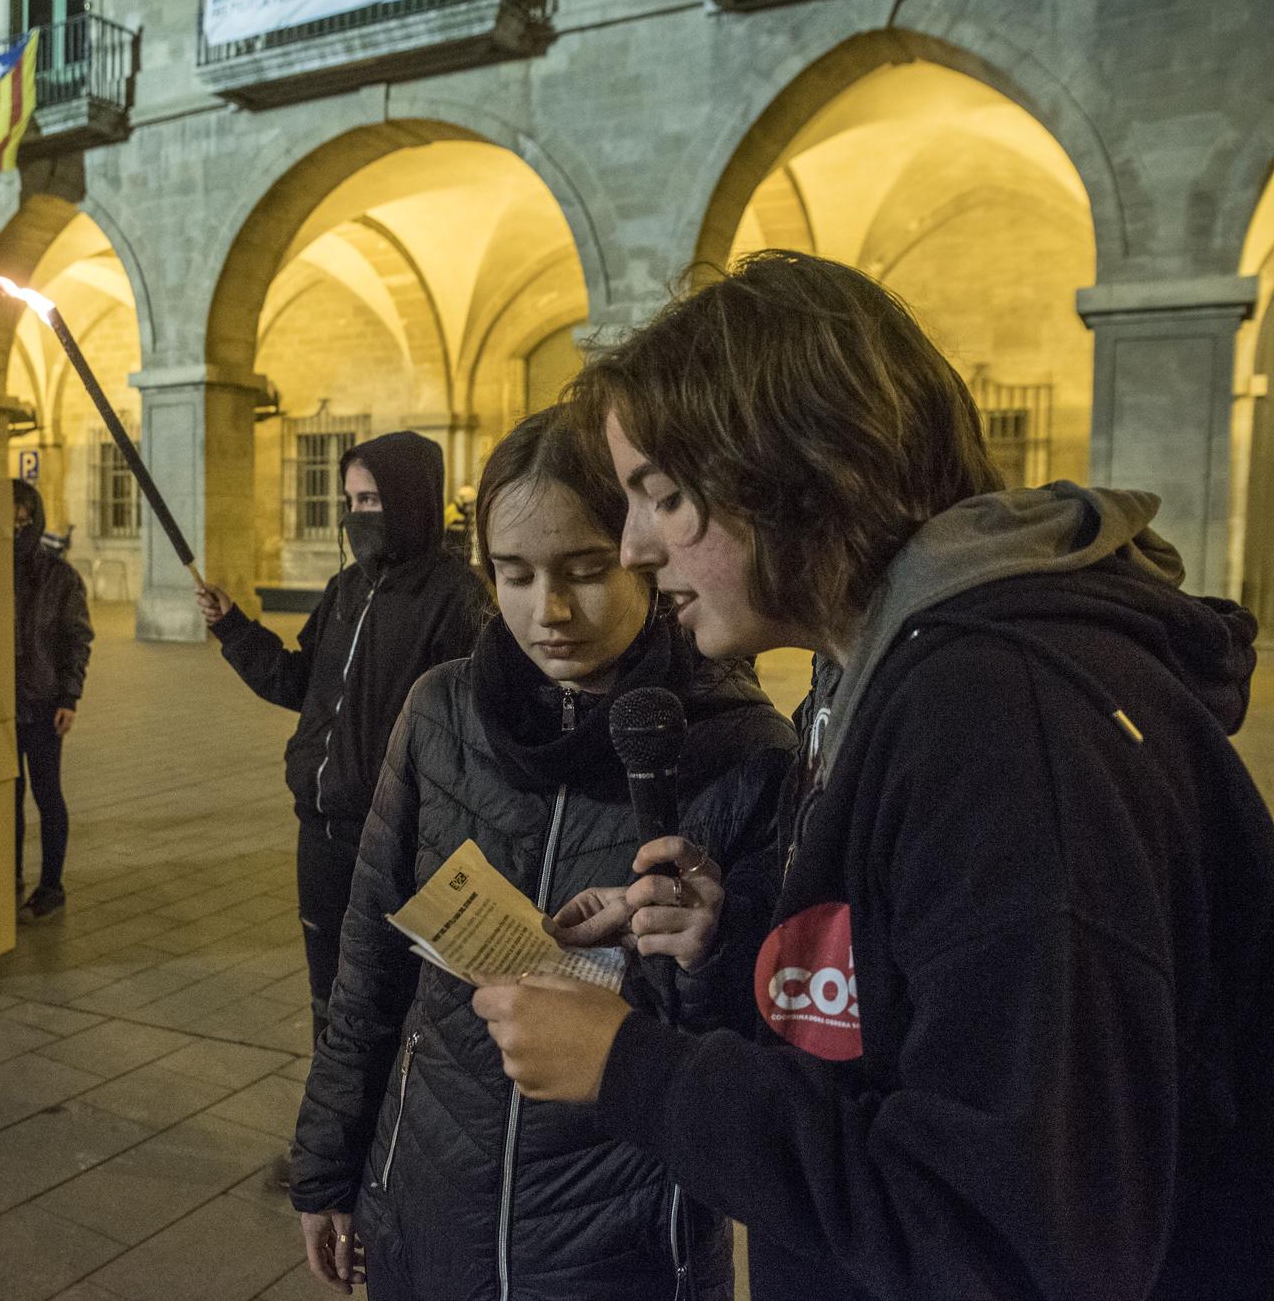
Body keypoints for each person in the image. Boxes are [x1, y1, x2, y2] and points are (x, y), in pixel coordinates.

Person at [474, 251, 1274, 1300]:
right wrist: (742, 937)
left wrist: (634, 1070)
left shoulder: (996, 724)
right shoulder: (883, 672)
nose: (631, 549)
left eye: (661, 497)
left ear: (795, 471)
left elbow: (1003, 1235)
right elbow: (915, 1008)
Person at [289, 406, 795, 1300]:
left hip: (626, 1233)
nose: (548, 611)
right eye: (514, 575)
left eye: (585, 571)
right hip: (431, 1196)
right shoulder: (440, 712)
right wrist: (328, 1164)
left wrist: (713, 943)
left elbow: (765, 1046)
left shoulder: (742, 747)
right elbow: (367, 960)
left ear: (640, 549)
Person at [197, 430, 489, 1046]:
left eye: (373, 501)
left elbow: (470, 732)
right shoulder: (346, 591)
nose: (359, 516)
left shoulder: (452, 596)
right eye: (352, 503)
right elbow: (300, 682)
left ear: (411, 501)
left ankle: (384, 1129)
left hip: (394, 840)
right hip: (321, 833)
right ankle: (329, 1126)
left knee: (385, 1000)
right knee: (327, 996)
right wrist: (233, 628)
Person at [13, 479, 92, 921]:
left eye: (24, 522)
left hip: (43, 703)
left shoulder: (59, 577)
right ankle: (9, 874)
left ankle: (51, 885)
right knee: (7, 794)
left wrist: (69, 696)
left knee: (47, 794)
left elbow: (76, 639)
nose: (17, 531)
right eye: (10, 523)